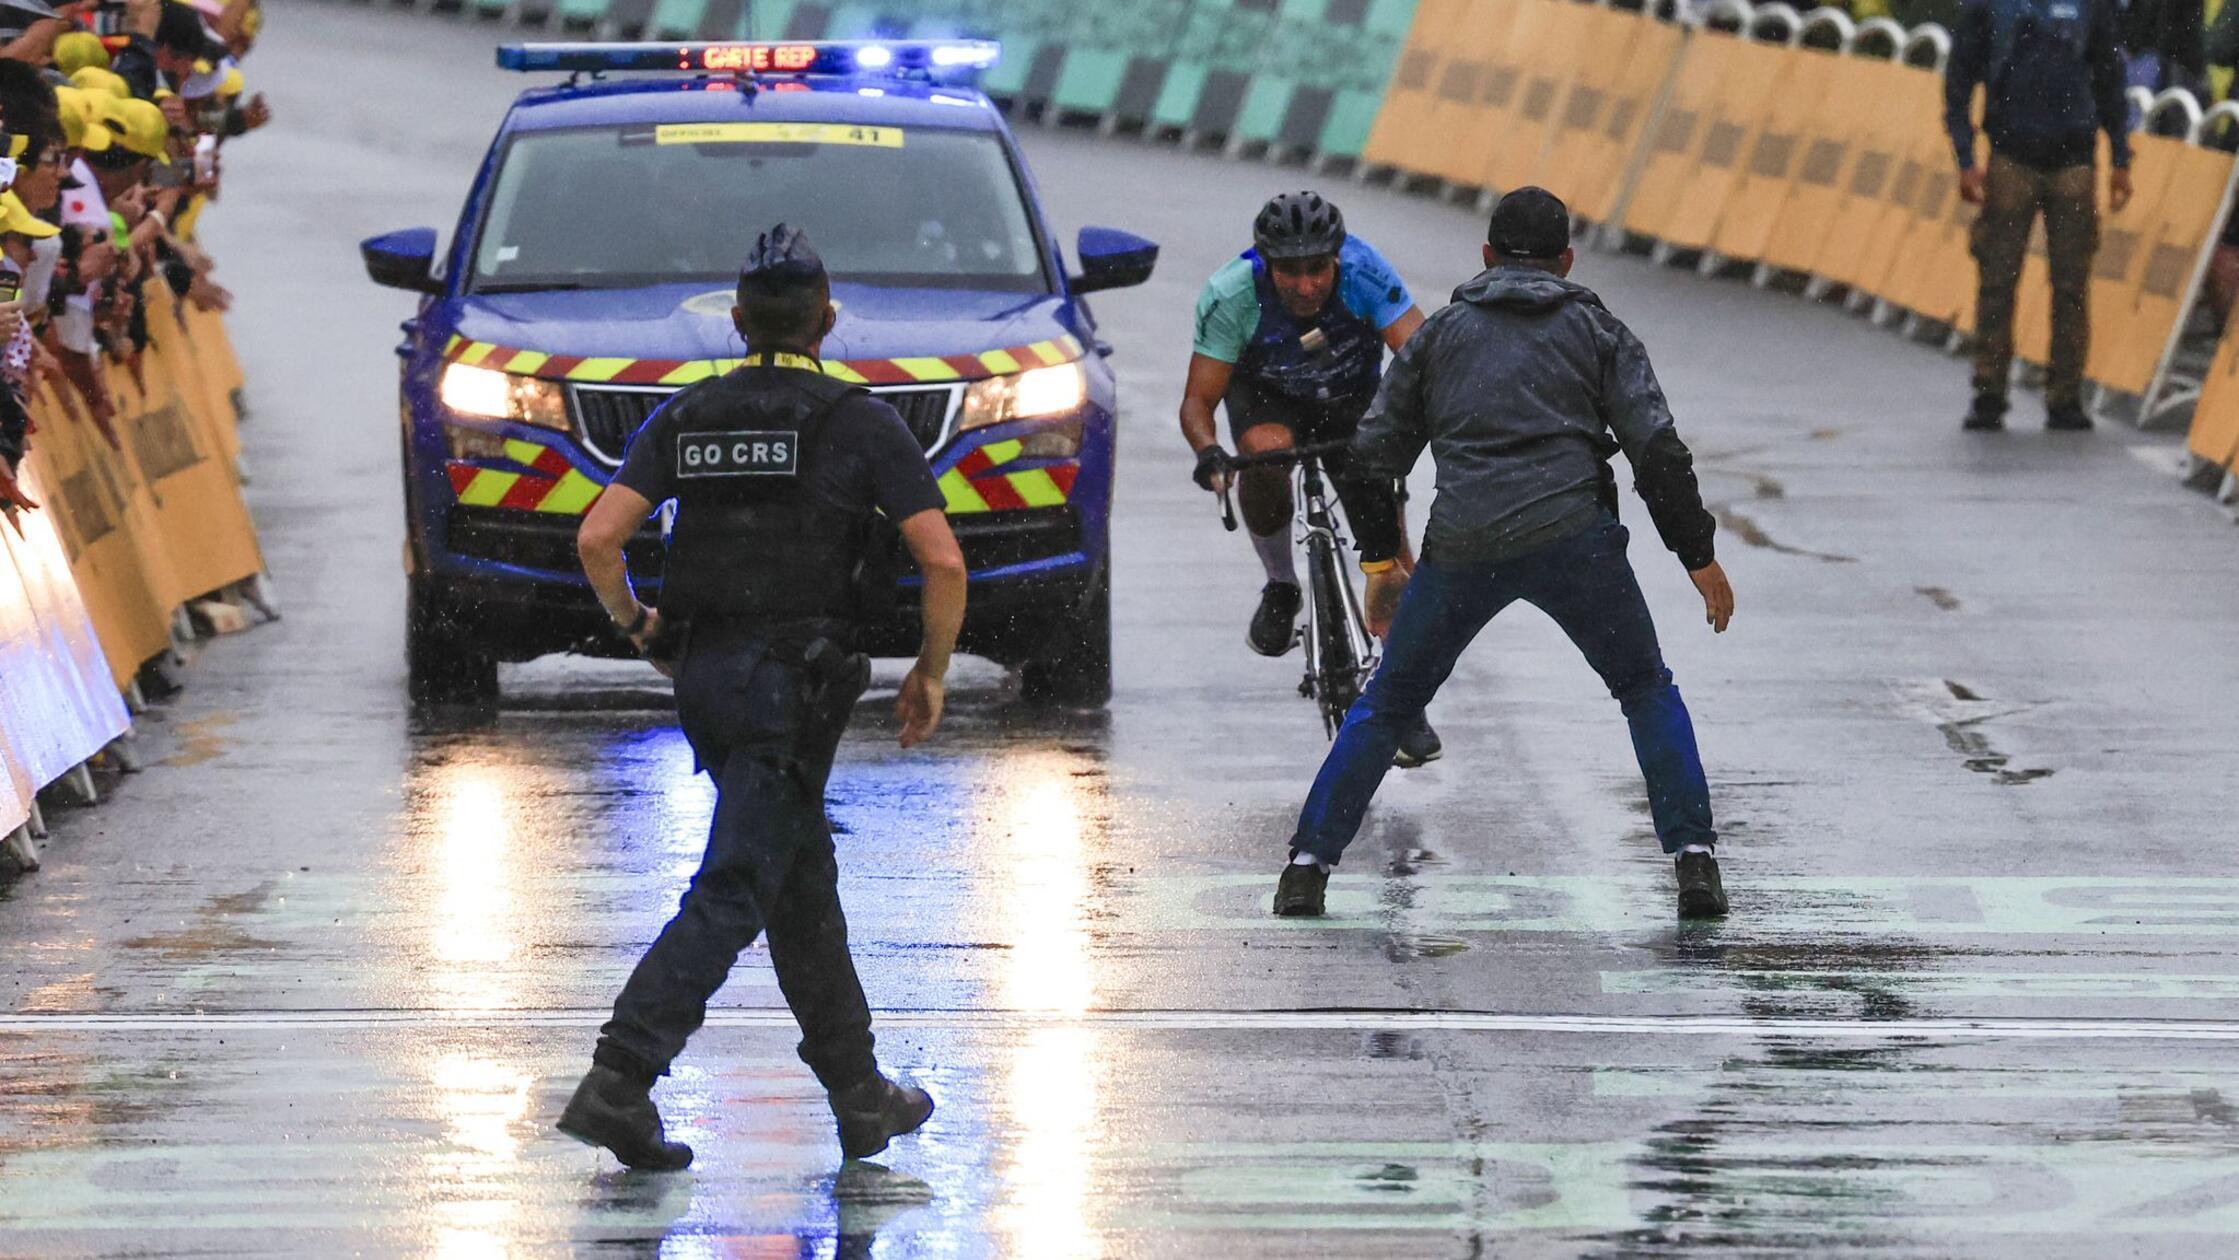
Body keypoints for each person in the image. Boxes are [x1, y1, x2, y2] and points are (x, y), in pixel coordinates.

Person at [562, 225, 966, 1172]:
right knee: (738, 887)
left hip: (706, 681)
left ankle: (860, 1096)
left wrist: (639, 629)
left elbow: (597, 539)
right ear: (828, 319)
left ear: (737, 321)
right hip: (794, 688)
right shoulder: (858, 421)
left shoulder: (687, 415)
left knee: (797, 885)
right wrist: (932, 669)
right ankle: (620, 1080)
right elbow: (942, 560)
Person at [1271, 188, 1735, 922]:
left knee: (1389, 704)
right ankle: (1694, 862)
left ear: (1485, 257)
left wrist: (1380, 558)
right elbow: (1657, 452)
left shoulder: (1442, 336)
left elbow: (1371, 456)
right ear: (1566, 260)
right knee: (1644, 690)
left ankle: (1307, 867)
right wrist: (1696, 555)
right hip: (1574, 543)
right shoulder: (1599, 333)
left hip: (1463, 547)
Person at [1179, 191, 1442, 766]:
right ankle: (1281, 583)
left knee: (1393, 557)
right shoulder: (1231, 294)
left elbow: (1425, 358)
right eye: (1289, 272)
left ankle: (1405, 697)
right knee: (1264, 456)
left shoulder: (1367, 272)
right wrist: (1209, 452)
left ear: (1338, 261)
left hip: (1352, 400)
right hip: (1269, 399)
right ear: (1265, 263)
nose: (1304, 287)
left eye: (1317, 269)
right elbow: (1198, 401)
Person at [1945, 0, 2132, 433]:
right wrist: (1964, 157)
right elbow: (1959, 75)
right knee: (1998, 276)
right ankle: (1989, 390)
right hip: (2011, 155)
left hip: (2074, 158)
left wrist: (2121, 156)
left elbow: (2108, 75)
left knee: (2071, 283)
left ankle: (2064, 395)